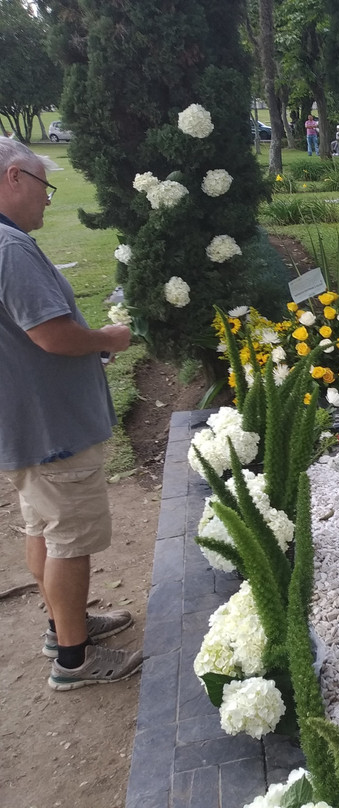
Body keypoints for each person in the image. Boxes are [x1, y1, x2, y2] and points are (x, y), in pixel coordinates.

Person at [0, 139, 142, 690]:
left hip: (31, 423)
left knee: (43, 527)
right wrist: (110, 337)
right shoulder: (11, 249)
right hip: (52, 427)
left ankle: (63, 625)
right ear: (14, 178)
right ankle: (74, 658)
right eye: (43, 185)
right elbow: (52, 334)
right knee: (69, 539)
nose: (48, 200)